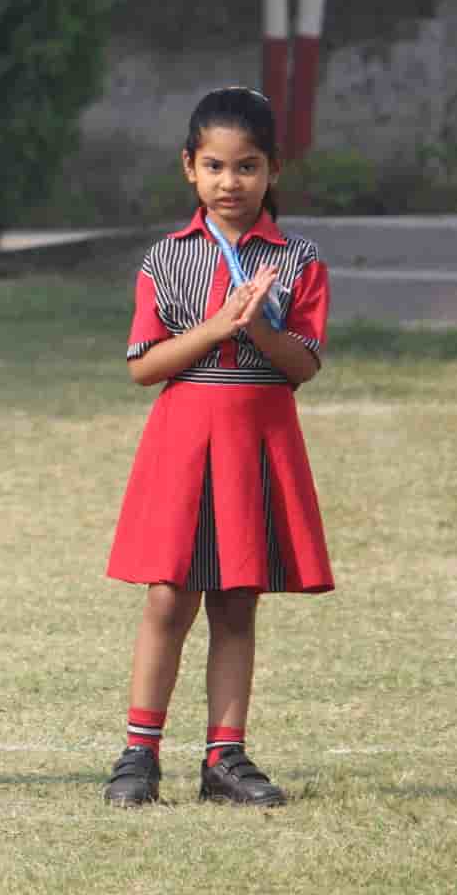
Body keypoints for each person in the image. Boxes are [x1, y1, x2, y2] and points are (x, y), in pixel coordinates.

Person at [102, 86, 334, 809]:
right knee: (169, 598)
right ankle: (139, 755)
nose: (230, 182)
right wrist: (216, 327)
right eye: (214, 166)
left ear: (273, 170)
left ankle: (224, 758)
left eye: (247, 166)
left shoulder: (298, 260)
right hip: (183, 443)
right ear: (189, 168)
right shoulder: (166, 258)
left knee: (237, 602)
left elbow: (302, 366)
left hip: (256, 443)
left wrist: (259, 327)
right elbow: (144, 367)